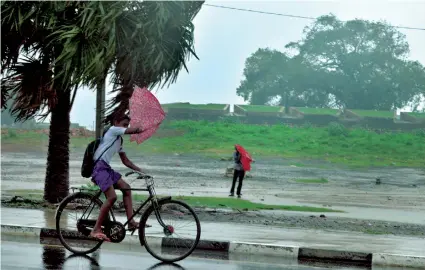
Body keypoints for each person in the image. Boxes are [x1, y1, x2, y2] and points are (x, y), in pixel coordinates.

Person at [89, 114, 146, 241]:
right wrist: (142, 127)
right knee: (112, 197)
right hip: (99, 168)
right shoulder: (112, 130)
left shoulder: (119, 140)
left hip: (106, 168)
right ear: (116, 122)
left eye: (127, 125)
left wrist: (140, 171)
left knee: (126, 188)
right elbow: (132, 130)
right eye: (124, 124)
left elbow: (125, 160)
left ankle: (131, 222)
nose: (126, 127)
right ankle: (96, 229)